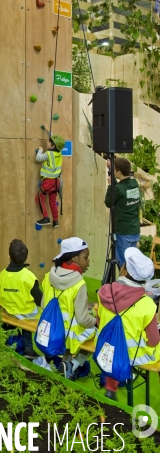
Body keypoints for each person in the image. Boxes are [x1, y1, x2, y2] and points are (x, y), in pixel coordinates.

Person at [97, 247, 160, 400]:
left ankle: (111, 386)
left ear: (124, 271)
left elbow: (99, 323)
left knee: (114, 341)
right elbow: (153, 341)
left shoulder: (105, 291)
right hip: (132, 355)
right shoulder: (147, 303)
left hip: (106, 350)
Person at [41, 237, 97, 379]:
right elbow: (83, 319)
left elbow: (43, 305)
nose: (88, 261)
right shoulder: (79, 284)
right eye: (86, 257)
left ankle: (57, 362)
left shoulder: (48, 277)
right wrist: (95, 320)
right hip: (69, 337)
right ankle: (74, 364)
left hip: (49, 331)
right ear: (74, 259)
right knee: (97, 332)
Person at [0, 239, 42, 359]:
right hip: (26, 312)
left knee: (11, 315)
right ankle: (28, 349)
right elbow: (38, 298)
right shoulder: (28, 276)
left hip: (9, 310)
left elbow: (0, 289)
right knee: (29, 316)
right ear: (26, 257)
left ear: (9, 256)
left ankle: (8, 341)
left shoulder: (2, 274)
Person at [104, 157, 140, 268]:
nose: (114, 172)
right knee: (132, 264)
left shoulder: (118, 189)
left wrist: (110, 185)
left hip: (123, 233)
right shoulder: (134, 183)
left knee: (124, 266)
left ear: (119, 172)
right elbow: (119, 189)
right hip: (134, 231)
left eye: (114, 170)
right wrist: (110, 168)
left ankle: (124, 285)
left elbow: (108, 202)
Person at [35, 130, 65, 228]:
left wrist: (40, 150)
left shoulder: (48, 154)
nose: (47, 142)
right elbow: (56, 141)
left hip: (48, 182)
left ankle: (46, 218)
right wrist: (48, 131)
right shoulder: (59, 154)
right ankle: (55, 221)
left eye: (49, 142)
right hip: (56, 182)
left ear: (53, 146)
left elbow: (38, 158)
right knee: (52, 202)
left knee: (39, 198)